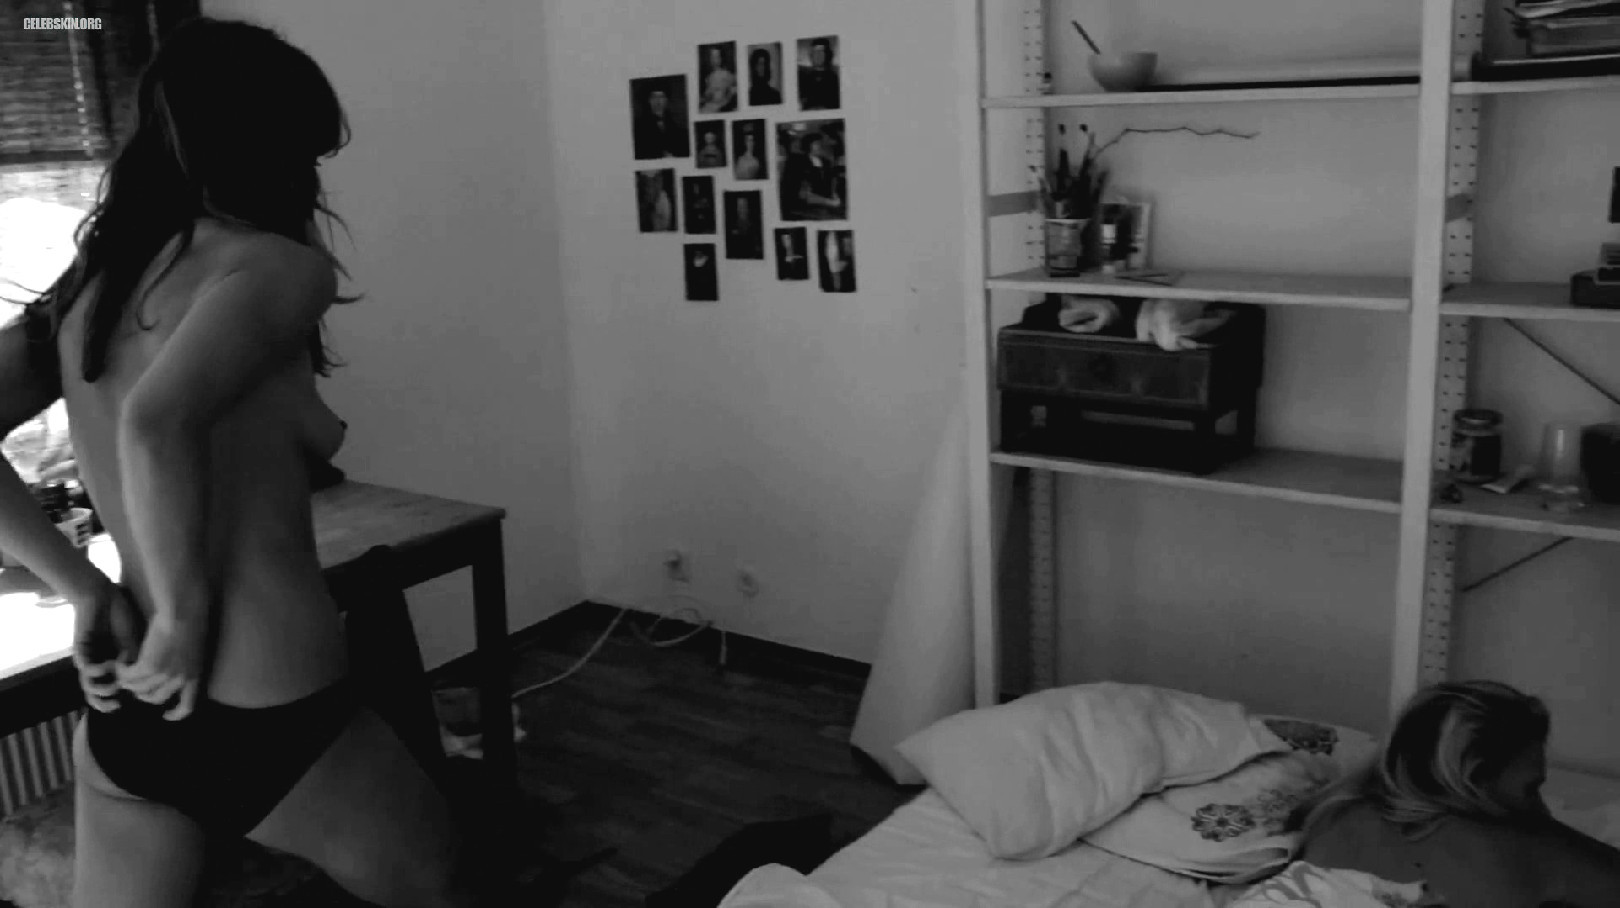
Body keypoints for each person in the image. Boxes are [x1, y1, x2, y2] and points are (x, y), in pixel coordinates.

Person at [3, 18, 502, 907]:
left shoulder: (94, 282)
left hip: (133, 699)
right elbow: (158, 425)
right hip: (263, 691)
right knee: (447, 883)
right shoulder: (277, 268)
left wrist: (84, 590)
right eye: (307, 149)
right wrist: (184, 620)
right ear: (270, 143)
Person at [1295, 680, 1620, 907]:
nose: (1541, 809)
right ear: (1474, 779)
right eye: (1530, 788)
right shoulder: (1511, 844)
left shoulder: (1328, 817)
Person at [633, 86, 685, 159]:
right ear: (649, 100)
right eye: (654, 97)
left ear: (666, 100)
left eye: (661, 97)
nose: (658, 101)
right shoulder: (638, 125)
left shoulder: (675, 123)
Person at [798, 38, 840, 111]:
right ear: (811, 55)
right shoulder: (803, 79)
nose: (817, 55)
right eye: (814, 52)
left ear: (827, 54)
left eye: (821, 52)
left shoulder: (835, 80)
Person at [700, 46, 736, 114]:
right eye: (712, 57)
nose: (714, 60)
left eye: (716, 57)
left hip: (720, 107)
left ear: (721, 58)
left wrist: (726, 100)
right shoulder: (709, 77)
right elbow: (708, 95)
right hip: (709, 106)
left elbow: (732, 92)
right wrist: (703, 98)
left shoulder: (727, 75)